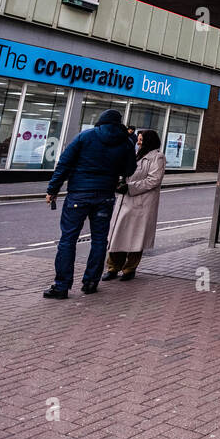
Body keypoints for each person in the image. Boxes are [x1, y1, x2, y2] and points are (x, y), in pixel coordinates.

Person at [43, 109, 137, 299]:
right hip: (105, 196)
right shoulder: (126, 142)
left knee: (68, 239)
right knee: (100, 240)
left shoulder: (85, 137)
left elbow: (65, 163)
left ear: (100, 121)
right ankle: (91, 282)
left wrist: (53, 190)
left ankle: (61, 286)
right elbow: (130, 169)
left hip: (79, 194)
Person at [102, 129, 166, 282]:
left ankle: (129, 269)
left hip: (141, 203)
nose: (138, 142)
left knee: (136, 238)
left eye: (141, 139)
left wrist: (130, 187)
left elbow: (154, 180)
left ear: (149, 141)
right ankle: (112, 268)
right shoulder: (134, 155)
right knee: (117, 235)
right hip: (125, 201)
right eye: (138, 139)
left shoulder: (157, 157)